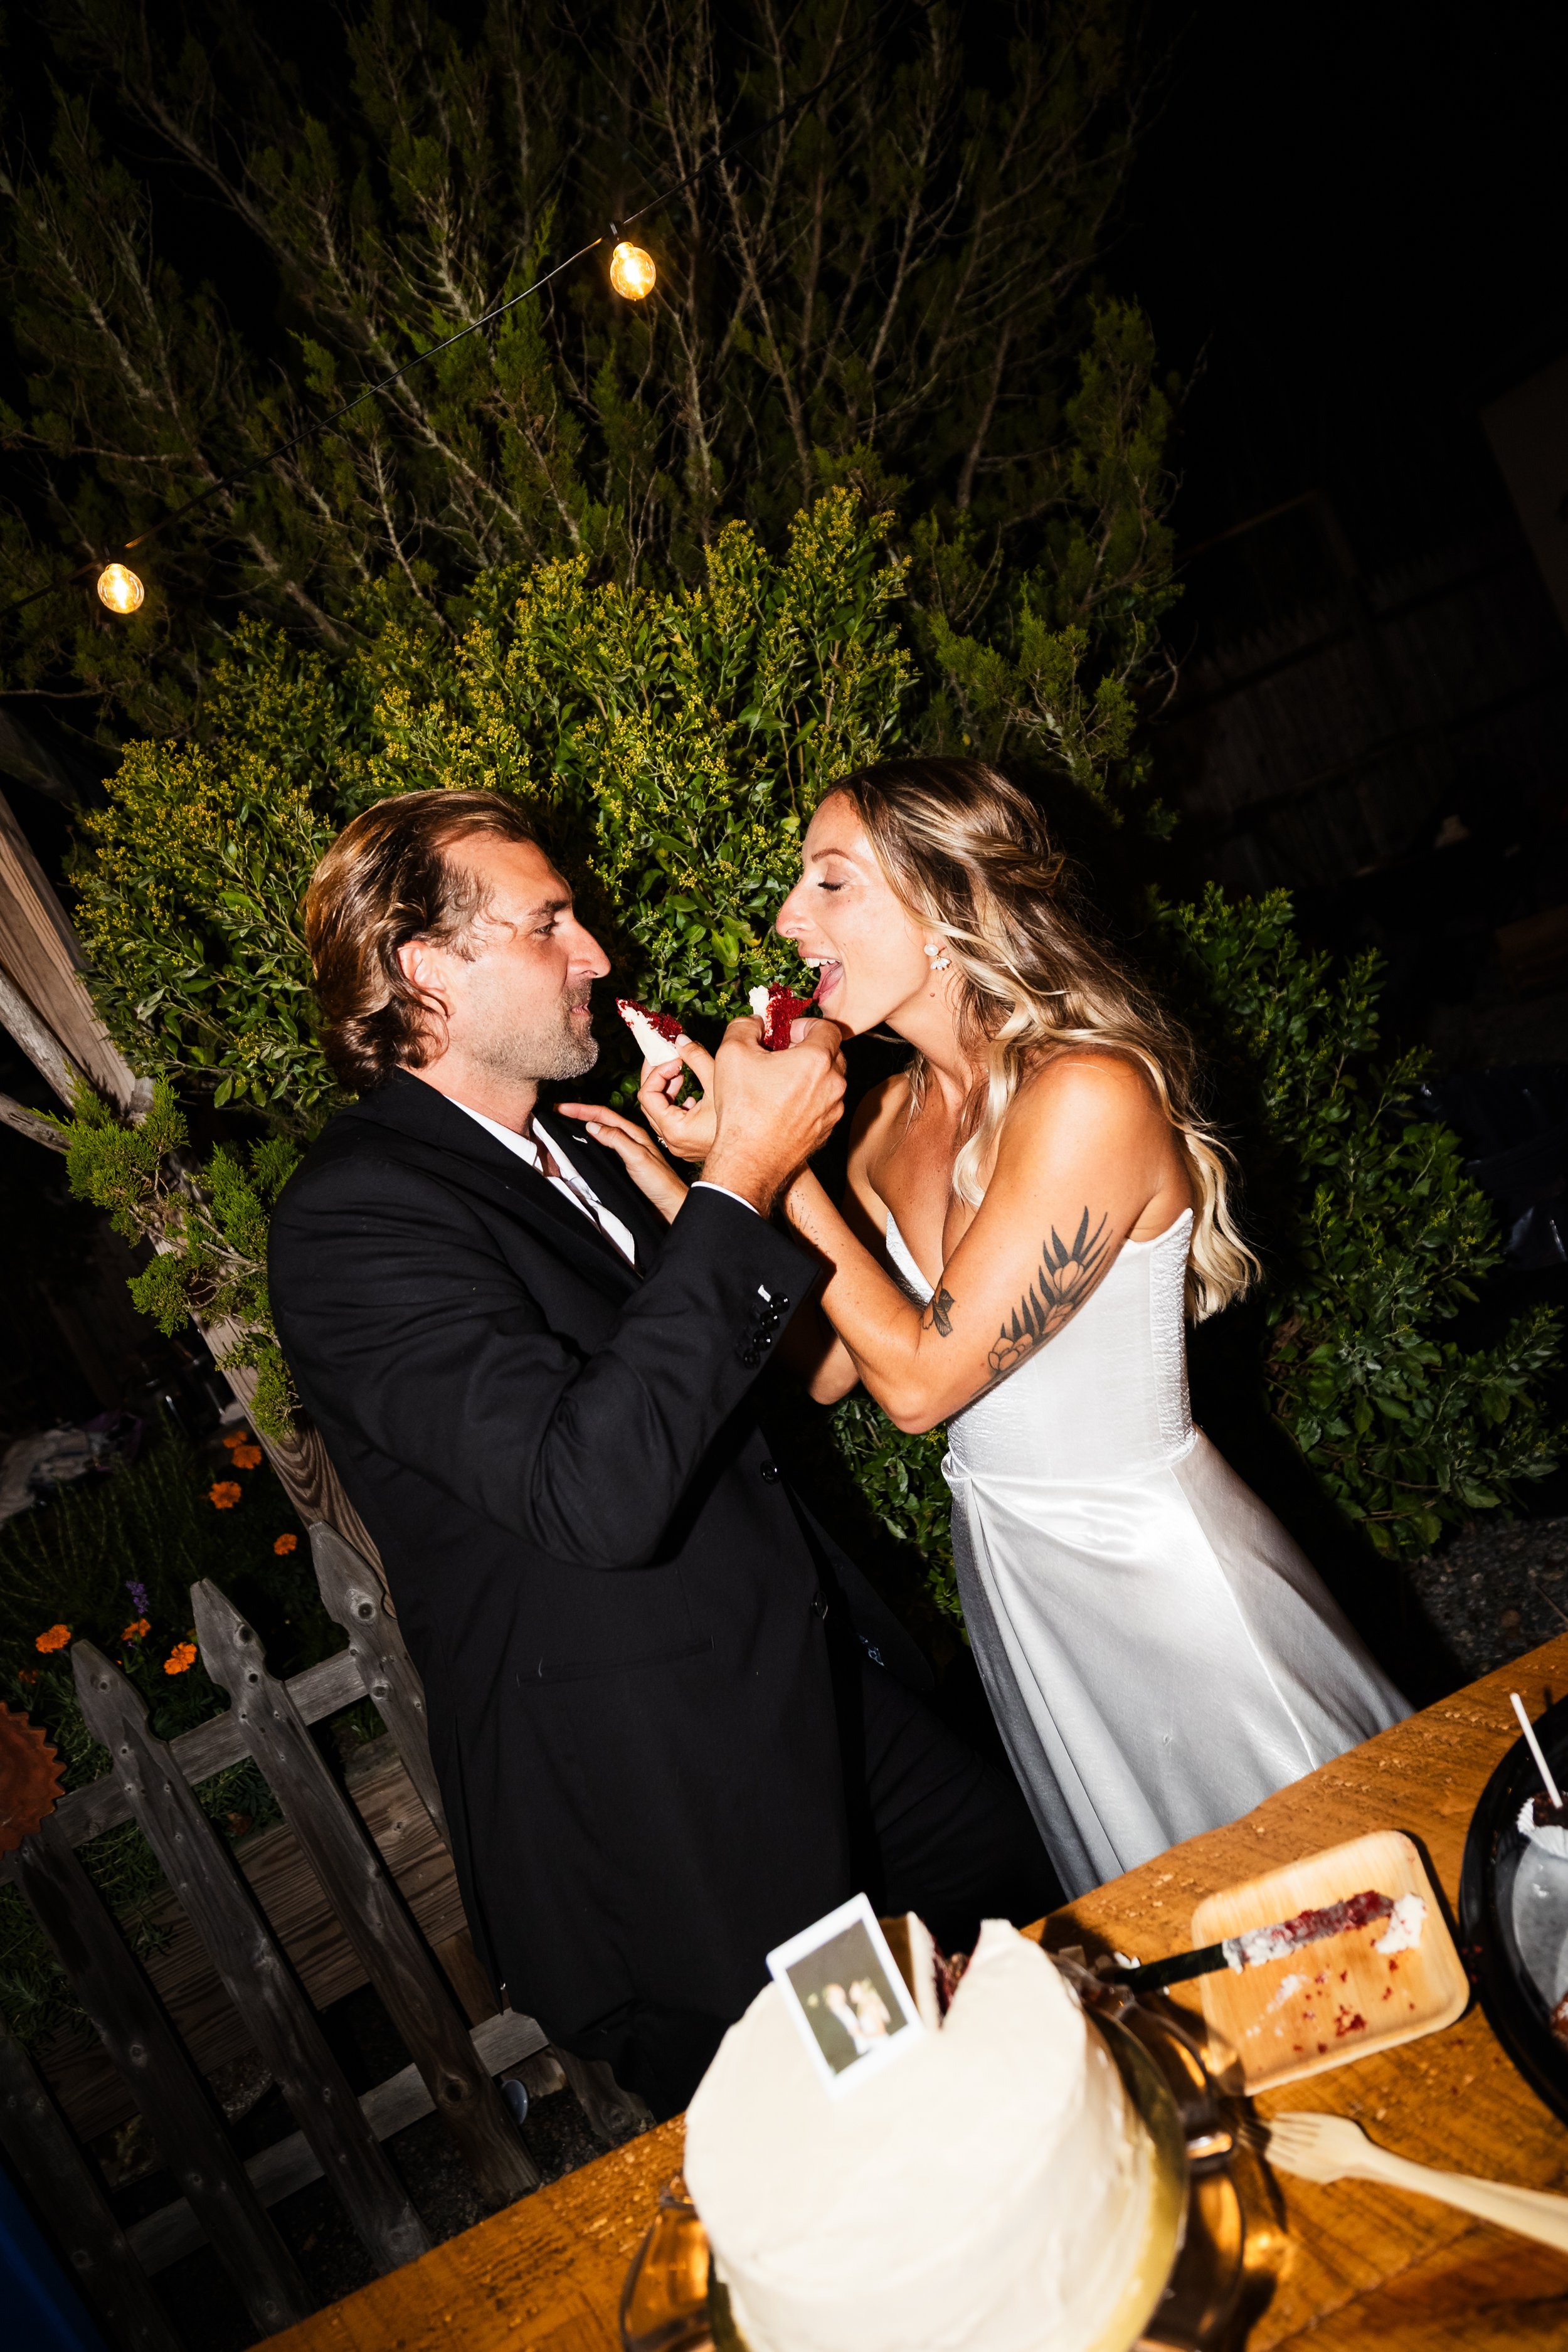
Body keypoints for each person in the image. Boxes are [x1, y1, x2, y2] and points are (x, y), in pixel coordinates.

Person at [267, 788, 1056, 2120]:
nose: (596, 955)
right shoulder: (356, 1217)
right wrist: (740, 1176)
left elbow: (729, 1404)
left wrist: (711, 1193)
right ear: (425, 971)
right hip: (697, 1829)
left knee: (1046, 1978)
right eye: (549, 925)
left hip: (833, 1719)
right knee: (886, 2140)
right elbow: (596, 1490)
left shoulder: (563, 1157)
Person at [623, 760, 1409, 1901]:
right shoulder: (891, 1118)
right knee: (1169, 1923)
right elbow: (838, 1364)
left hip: (1155, 1571)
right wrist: (708, 1188)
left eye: (830, 882)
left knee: (1336, 1893)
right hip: (1022, 1584)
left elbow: (921, 1382)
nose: (790, 918)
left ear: (945, 904)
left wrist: (770, 1161)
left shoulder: (1089, 1093)